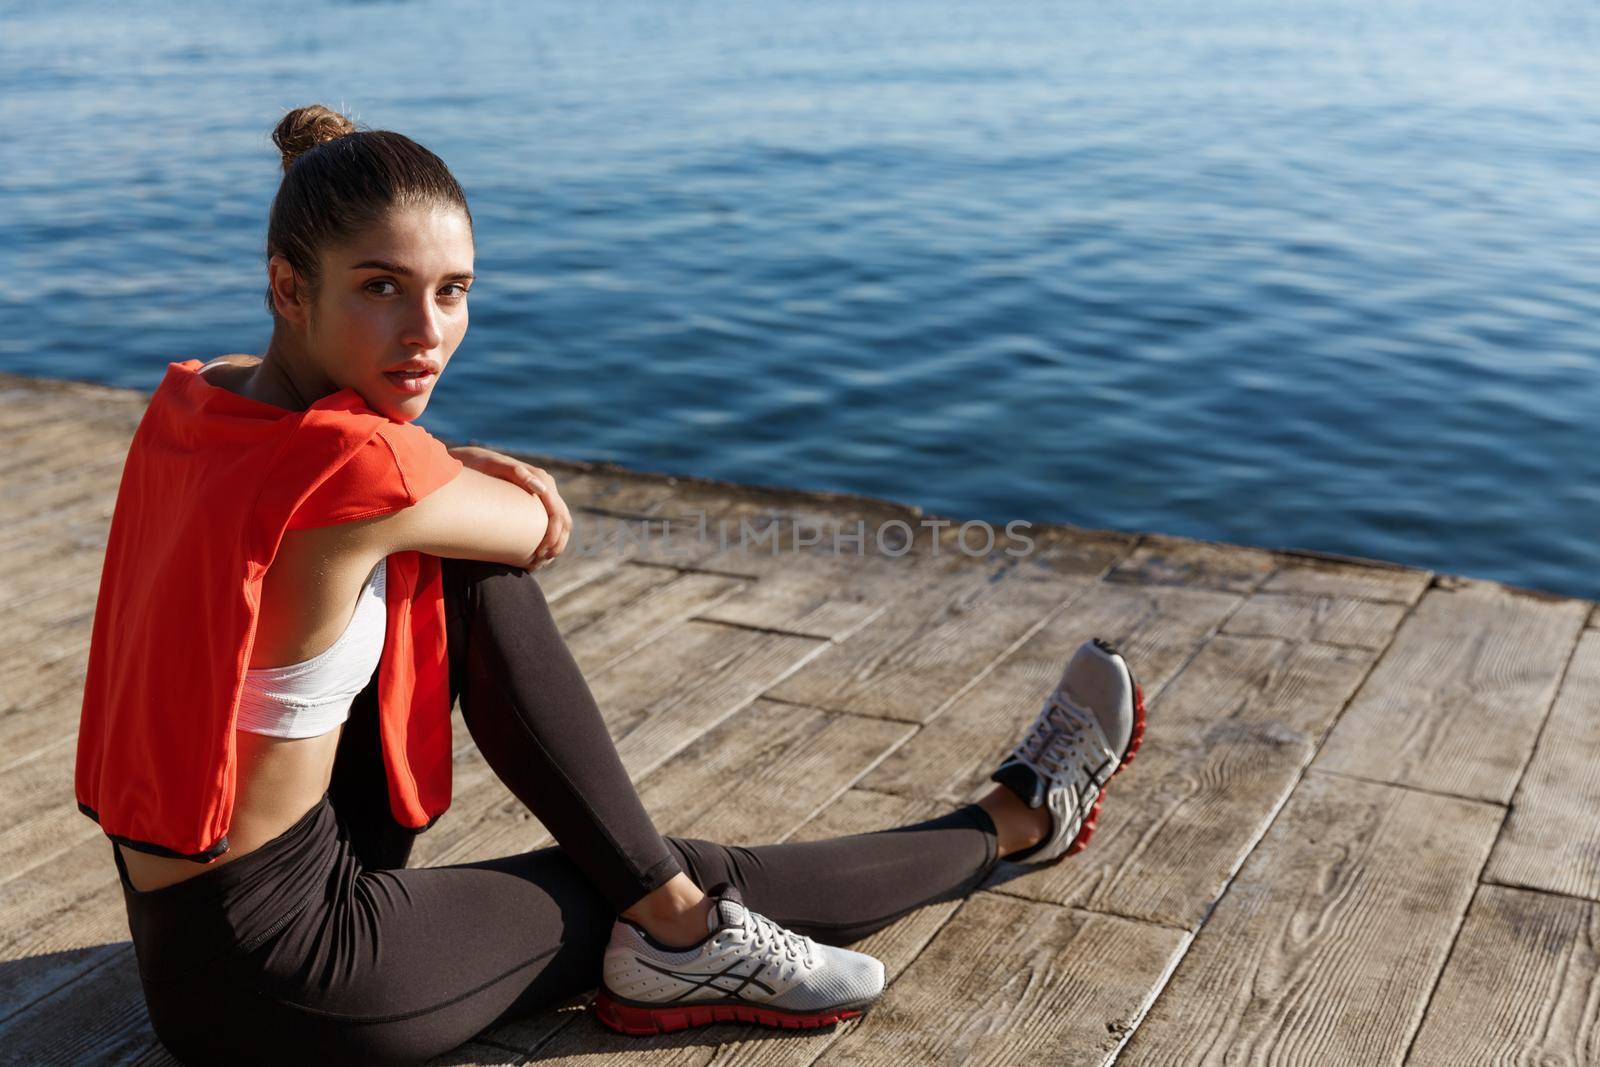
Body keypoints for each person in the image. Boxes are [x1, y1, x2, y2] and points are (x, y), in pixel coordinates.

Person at [84, 104, 1147, 1066]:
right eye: (381, 288)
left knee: (471, 581)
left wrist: (432, 474)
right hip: (287, 983)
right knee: (661, 871)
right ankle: (1007, 821)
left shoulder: (202, 396)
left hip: (181, 928)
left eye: (452, 291)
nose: (426, 333)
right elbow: (541, 527)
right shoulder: (365, 471)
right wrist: (451, 472)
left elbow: (381, 489)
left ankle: (676, 900)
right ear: (286, 286)